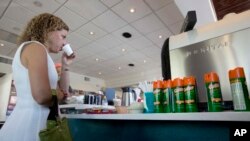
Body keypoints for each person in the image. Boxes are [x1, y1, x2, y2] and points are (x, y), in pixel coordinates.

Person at [0, 13, 75, 141]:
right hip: (31, 125)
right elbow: (42, 96)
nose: (65, 43)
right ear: (48, 31)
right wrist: (59, 95)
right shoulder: (36, 47)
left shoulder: (43, 55)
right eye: (63, 37)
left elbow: (63, 91)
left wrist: (65, 65)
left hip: (35, 122)